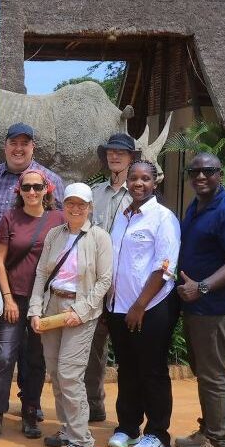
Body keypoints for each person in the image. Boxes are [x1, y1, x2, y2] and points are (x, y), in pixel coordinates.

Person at [0, 122, 65, 416]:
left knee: (31, 349)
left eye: (25, 143)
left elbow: (63, 225)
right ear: (5, 145)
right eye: (14, 142)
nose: (18, 148)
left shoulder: (50, 179)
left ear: (32, 147)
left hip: (34, 281)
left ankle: (30, 402)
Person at [173, 153, 225, 447]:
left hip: (217, 310)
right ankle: (207, 430)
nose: (200, 176)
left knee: (214, 377)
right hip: (197, 309)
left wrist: (202, 287)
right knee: (203, 373)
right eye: (194, 171)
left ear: (220, 174)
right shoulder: (198, 205)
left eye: (207, 171)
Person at [28, 183, 113, 447]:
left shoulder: (99, 237)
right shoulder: (55, 234)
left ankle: (83, 439)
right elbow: (42, 273)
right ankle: (67, 428)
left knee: (69, 372)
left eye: (81, 204)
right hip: (53, 305)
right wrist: (35, 309)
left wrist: (83, 310)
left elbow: (104, 280)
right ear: (63, 206)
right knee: (54, 369)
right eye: (70, 204)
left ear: (90, 207)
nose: (75, 209)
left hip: (81, 310)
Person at [104, 160, 180, 447]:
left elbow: (165, 268)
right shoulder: (123, 216)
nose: (138, 183)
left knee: (153, 371)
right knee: (128, 369)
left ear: (155, 182)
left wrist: (139, 305)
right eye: (134, 178)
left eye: (145, 179)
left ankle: (158, 434)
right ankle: (128, 426)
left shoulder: (163, 218)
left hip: (151, 308)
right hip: (119, 308)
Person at [0, 170, 64, 440]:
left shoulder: (58, 219)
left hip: (42, 300)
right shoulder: (10, 218)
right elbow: (0, 261)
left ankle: (30, 412)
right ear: (19, 190)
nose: (31, 192)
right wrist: (7, 298)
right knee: (5, 356)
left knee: (35, 359)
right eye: (26, 187)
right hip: (14, 298)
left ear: (46, 189)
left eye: (36, 187)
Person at [85, 133, 137, 423]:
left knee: (129, 353)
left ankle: (129, 418)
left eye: (121, 153)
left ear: (131, 158)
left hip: (126, 287)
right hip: (94, 284)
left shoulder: (140, 194)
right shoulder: (94, 193)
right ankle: (94, 405)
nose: (114, 157)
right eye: (110, 153)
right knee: (93, 349)